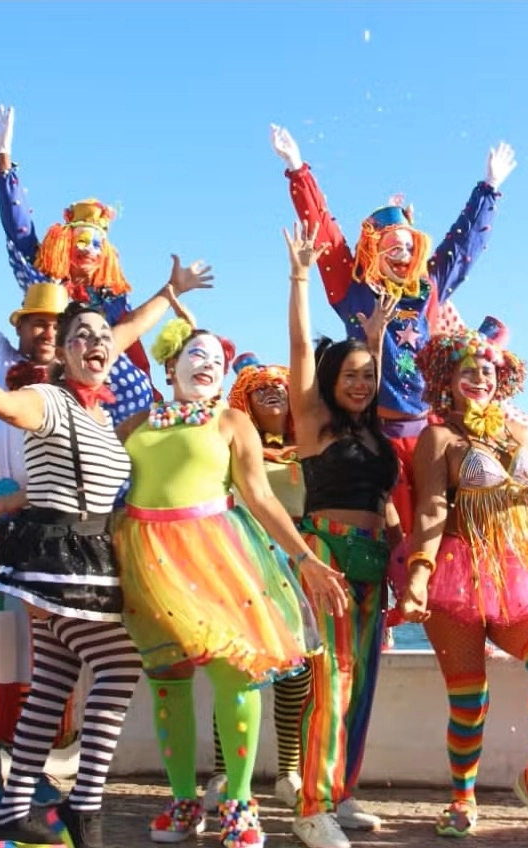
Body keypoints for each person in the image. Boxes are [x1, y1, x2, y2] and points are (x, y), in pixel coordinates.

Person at [0, 167, 210, 813]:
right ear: (20, 325)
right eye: (38, 324)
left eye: (60, 326)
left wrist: (169, 291)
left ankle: (32, 790)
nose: (47, 332)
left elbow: (122, 333)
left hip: (48, 535)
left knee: (48, 670)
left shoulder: (81, 391)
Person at [0, 299, 154, 848]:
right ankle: (85, 807)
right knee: (120, 665)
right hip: (60, 563)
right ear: (64, 352)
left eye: (103, 336)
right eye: (81, 336)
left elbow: (48, 483)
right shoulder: (50, 398)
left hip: (82, 558)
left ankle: (12, 813)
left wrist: (7, 502)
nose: (96, 343)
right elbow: (5, 405)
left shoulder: (99, 417)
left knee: (52, 684)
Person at [112, 319, 349, 848]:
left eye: (216, 362)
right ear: (170, 364)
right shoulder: (135, 423)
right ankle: (182, 802)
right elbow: (103, 482)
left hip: (216, 556)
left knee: (234, 678)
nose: (206, 366)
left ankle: (239, 805)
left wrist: (306, 558)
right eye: (196, 355)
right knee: (167, 683)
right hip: (146, 559)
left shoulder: (231, 421)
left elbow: (261, 498)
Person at [269, 124, 516, 533]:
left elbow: (463, 248)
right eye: (392, 247)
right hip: (367, 432)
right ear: (372, 251)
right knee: (376, 535)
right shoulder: (352, 290)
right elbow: (325, 233)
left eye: (408, 247)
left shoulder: (429, 289)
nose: (402, 255)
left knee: (434, 533)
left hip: (425, 434)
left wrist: (489, 189)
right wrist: (298, 170)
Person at [392, 321, 528, 848]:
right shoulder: (440, 436)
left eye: (489, 370)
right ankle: (463, 798)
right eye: (469, 371)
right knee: (469, 699)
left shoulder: (516, 434)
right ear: (448, 379)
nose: (481, 378)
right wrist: (420, 575)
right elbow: (431, 507)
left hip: (517, 571)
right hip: (455, 573)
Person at [284, 222, 401, 848]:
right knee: (333, 679)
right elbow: (302, 349)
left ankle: (340, 791)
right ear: (331, 380)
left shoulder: (373, 434)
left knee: (364, 683)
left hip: (374, 564)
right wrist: (301, 278)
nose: (360, 383)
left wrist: (375, 341)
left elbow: (383, 500)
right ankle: (311, 807)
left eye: (367, 376)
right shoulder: (314, 424)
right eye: (350, 375)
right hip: (327, 554)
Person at [0, 104, 161, 424]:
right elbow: (19, 230)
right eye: (82, 241)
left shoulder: (113, 303)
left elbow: (135, 355)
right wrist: (3, 159)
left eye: (97, 244)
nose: (89, 250)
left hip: (107, 407)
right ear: (64, 243)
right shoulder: (46, 281)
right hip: (51, 393)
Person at [200, 354, 312, 811]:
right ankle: (224, 771)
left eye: (281, 385)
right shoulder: (230, 444)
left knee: (297, 669)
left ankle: (289, 770)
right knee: (236, 669)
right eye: (261, 386)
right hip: (242, 561)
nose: (274, 392)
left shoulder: (309, 445)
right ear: (244, 396)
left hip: (298, 563)